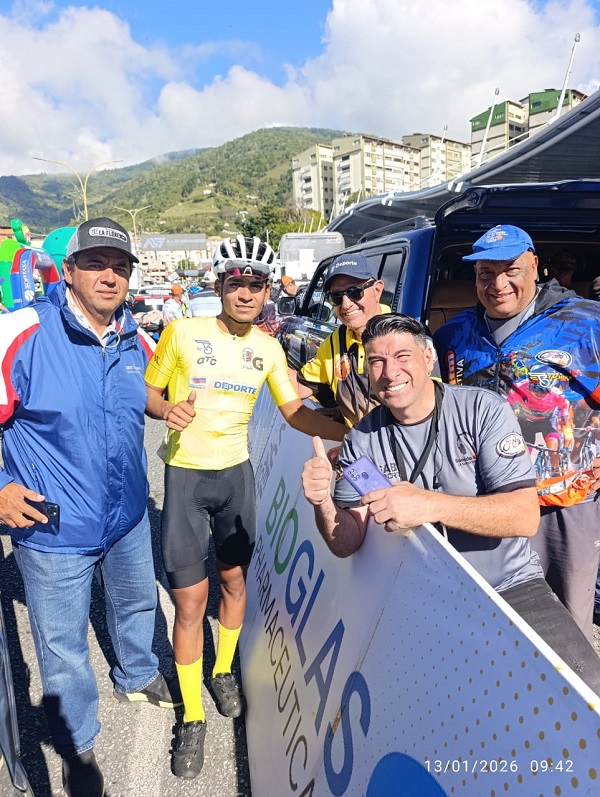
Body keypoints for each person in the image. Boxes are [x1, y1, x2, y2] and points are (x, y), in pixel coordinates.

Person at [301, 313, 600, 694]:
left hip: (509, 587)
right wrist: (322, 503)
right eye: (376, 361)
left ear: (428, 358)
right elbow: (348, 540)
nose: (390, 372)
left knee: (586, 692)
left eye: (402, 356)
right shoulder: (362, 442)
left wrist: (429, 505)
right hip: (424, 599)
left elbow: (524, 516)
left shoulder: (481, 409)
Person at [145, 235, 346, 780]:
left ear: (266, 293)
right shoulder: (182, 332)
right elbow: (148, 391)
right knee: (191, 604)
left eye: (256, 284)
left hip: (236, 478)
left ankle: (223, 670)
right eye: (237, 282)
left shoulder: (270, 348)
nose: (246, 293)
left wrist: (353, 429)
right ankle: (192, 716)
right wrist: (165, 410)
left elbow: (295, 412)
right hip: (186, 479)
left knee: (234, 584)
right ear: (220, 286)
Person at [0, 217, 181, 797]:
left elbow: (141, 390)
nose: (109, 275)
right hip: (53, 527)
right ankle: (77, 742)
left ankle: (137, 673)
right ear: (70, 270)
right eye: (96, 263)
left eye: (120, 266)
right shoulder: (22, 332)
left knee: (136, 603)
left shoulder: (134, 336)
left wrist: (164, 407)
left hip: (127, 516)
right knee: (63, 647)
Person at [433, 224, 600, 643]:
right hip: (484, 504)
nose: (498, 284)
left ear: (535, 265)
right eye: (485, 274)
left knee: (565, 632)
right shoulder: (453, 336)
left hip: (561, 505)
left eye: (511, 270)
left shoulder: (585, 323)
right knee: (491, 625)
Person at [294, 253, 388, 428]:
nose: (346, 304)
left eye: (355, 292)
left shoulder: (407, 335)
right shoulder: (333, 342)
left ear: (377, 290)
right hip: (357, 443)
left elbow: (429, 403)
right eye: (336, 296)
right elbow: (300, 386)